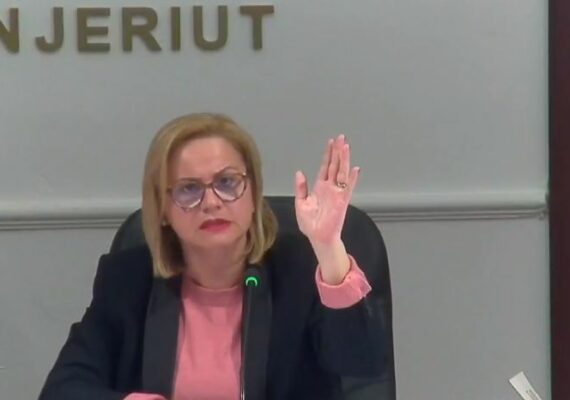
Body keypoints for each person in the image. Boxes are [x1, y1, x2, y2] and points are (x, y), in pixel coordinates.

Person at [39, 113, 387, 400]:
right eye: (188, 189)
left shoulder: (300, 269)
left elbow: (363, 362)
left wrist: (328, 249)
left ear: (253, 192)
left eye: (227, 182)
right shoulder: (129, 280)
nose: (211, 202)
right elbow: (62, 390)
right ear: (162, 208)